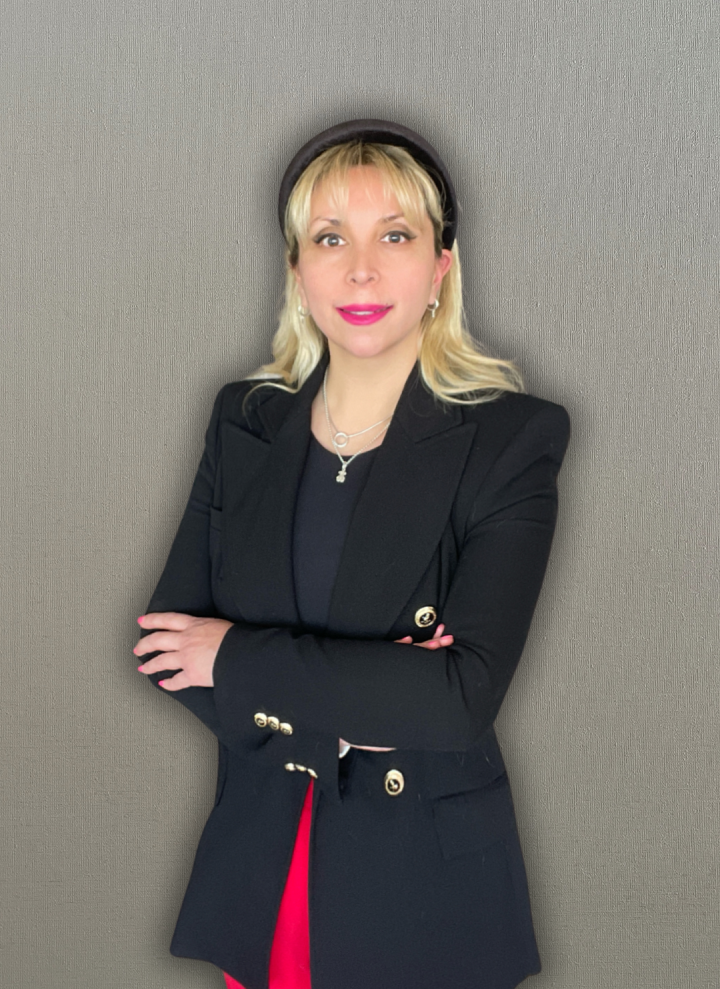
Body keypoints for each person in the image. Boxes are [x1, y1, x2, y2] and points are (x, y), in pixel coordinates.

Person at [134, 119, 571, 989]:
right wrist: (364, 703)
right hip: (264, 868)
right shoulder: (244, 420)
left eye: (395, 236)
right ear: (297, 269)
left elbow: (457, 700)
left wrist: (237, 657)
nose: (361, 269)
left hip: (421, 893)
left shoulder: (512, 439)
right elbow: (167, 650)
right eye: (331, 238)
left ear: (441, 266)